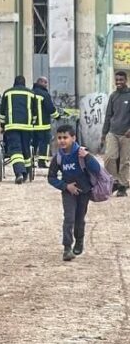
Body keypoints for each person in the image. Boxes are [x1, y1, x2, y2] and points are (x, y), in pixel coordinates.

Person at [46, 125, 98, 261]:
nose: (62, 141)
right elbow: (51, 178)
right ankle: (67, 248)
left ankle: (79, 240)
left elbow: (96, 169)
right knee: (69, 219)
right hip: (68, 193)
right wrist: (65, 186)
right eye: (59, 138)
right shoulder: (58, 157)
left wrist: (87, 157)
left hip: (84, 192)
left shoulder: (81, 153)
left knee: (79, 219)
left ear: (73, 138)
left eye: (65, 137)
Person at [0, 75, 36, 184]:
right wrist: (32, 123)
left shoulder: (7, 93)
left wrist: (2, 125)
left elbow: (2, 112)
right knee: (26, 149)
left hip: (12, 126)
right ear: (24, 83)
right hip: (27, 127)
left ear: (14, 83)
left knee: (16, 150)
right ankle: (27, 173)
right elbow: (34, 112)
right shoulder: (31, 93)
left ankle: (19, 173)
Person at [102, 70, 130, 197]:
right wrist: (104, 133)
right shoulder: (113, 96)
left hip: (126, 134)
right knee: (109, 157)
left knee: (125, 160)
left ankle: (123, 186)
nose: (118, 82)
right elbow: (108, 115)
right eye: (117, 80)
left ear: (126, 80)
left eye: (121, 80)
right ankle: (114, 181)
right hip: (112, 132)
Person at [31, 76, 60, 169]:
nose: (47, 84)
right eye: (45, 82)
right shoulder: (45, 94)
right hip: (43, 125)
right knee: (44, 143)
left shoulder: (30, 93)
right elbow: (50, 108)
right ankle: (42, 162)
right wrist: (57, 116)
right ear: (40, 82)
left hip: (31, 125)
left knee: (32, 143)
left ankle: (30, 162)